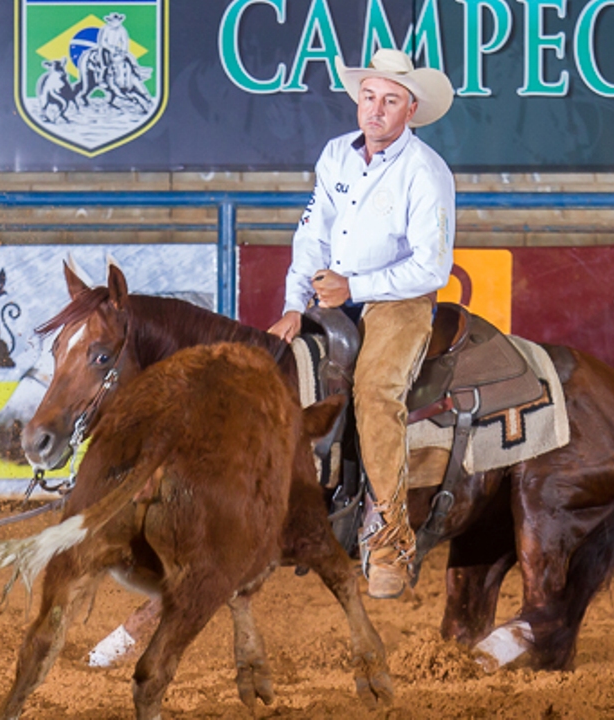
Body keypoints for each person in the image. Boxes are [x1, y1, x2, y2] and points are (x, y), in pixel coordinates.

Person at [267, 49, 456, 599]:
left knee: (375, 393)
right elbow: (313, 236)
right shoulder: (336, 156)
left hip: (399, 299)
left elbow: (431, 266)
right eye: (369, 97)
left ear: (410, 110)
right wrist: (294, 304)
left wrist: (356, 289)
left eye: (390, 100)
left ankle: (390, 540)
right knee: (274, 368)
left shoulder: (426, 171)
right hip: (333, 290)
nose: (376, 109)